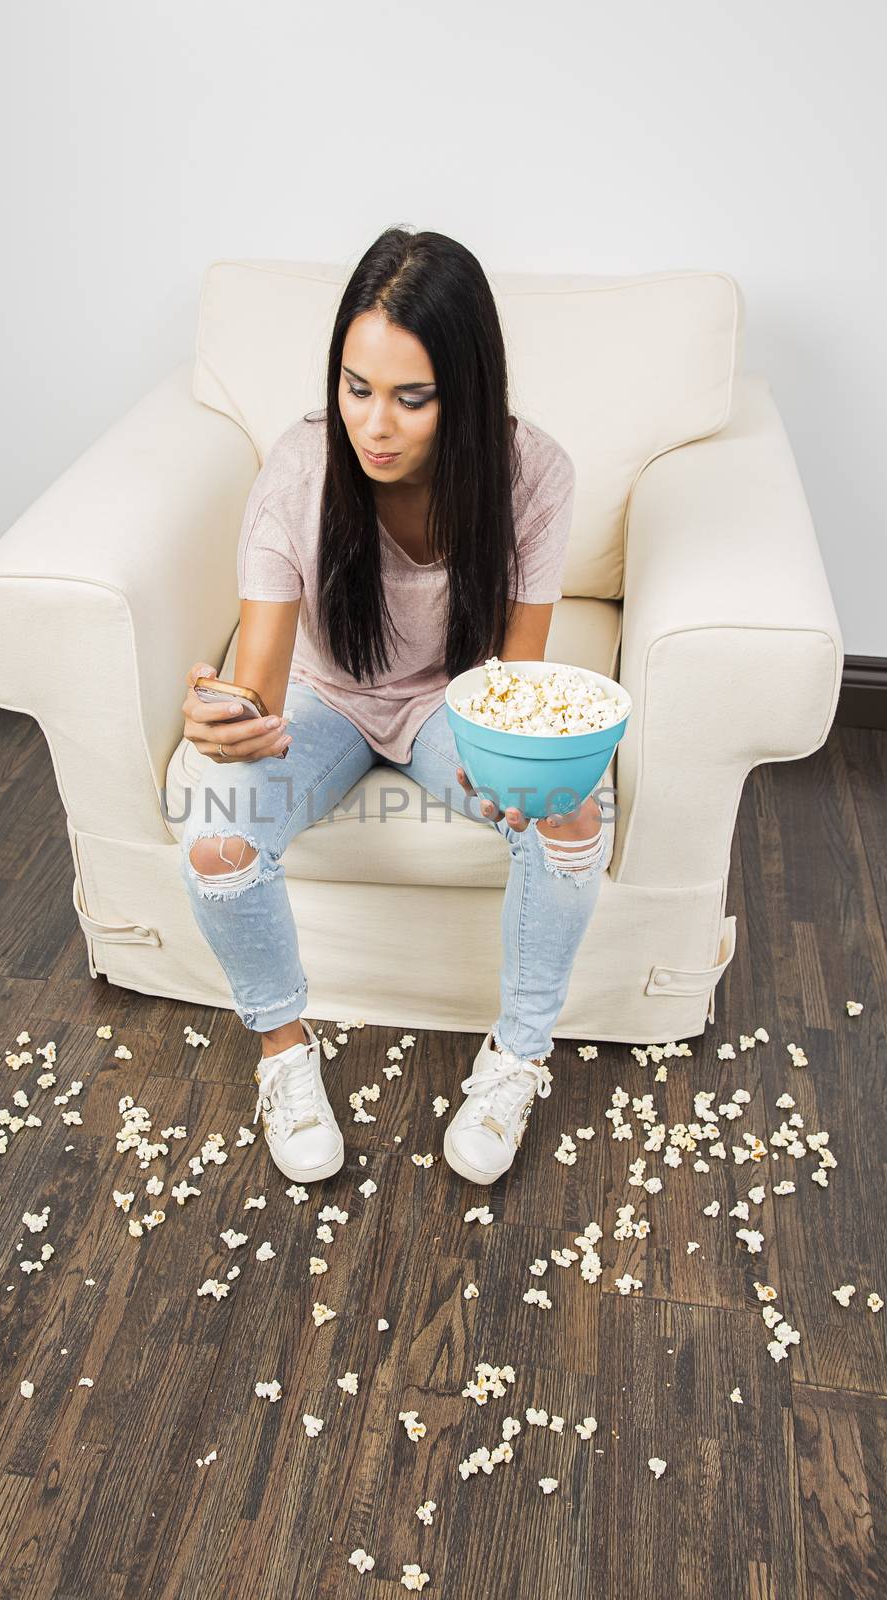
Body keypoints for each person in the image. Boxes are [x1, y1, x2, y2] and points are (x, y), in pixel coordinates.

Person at [177, 225, 609, 1190]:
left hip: (459, 702)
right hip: (324, 701)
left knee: (574, 812)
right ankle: (284, 1056)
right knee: (215, 833)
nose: (373, 426)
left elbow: (514, 681)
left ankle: (517, 1060)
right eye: (354, 388)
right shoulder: (297, 474)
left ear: (465, 392)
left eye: (411, 399)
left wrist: (522, 776)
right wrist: (228, 718)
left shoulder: (533, 473)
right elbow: (259, 677)